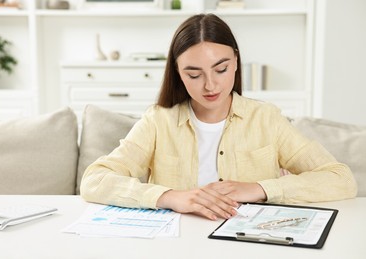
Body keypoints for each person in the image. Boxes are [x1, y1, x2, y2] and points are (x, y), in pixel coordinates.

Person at [80, 13, 357, 221]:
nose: (210, 85)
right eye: (194, 74)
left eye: (221, 69)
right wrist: (171, 197)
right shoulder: (157, 121)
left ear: (235, 61)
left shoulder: (266, 119)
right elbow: (94, 180)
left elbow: (340, 178)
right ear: (177, 73)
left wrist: (260, 188)